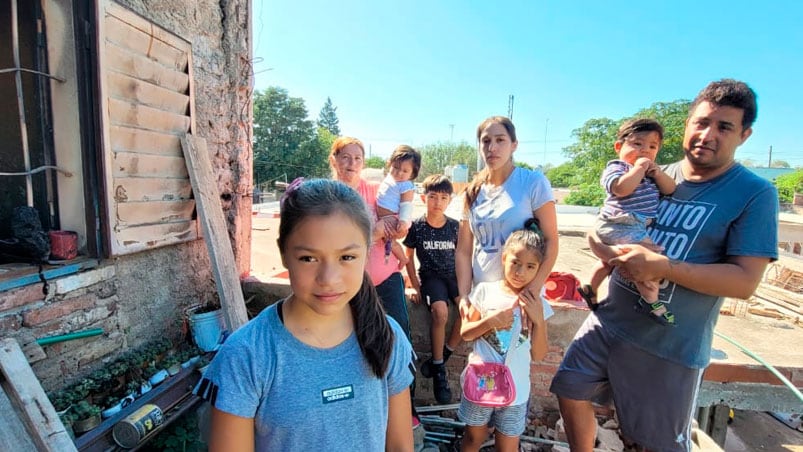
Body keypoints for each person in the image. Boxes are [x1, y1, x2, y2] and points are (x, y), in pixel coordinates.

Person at [550, 79, 779, 452]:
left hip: (668, 347)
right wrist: (601, 244)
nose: (708, 134)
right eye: (701, 122)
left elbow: (744, 282)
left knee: (653, 443)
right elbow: (608, 221)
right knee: (569, 389)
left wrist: (663, 267)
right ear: (687, 124)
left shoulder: (753, 193)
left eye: (724, 127)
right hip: (608, 322)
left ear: (745, 135)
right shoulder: (655, 171)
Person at [195, 179, 415, 451]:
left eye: (347, 257)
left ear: (366, 253)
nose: (328, 279)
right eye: (309, 258)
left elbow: (400, 446)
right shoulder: (247, 355)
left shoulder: (387, 336)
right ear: (284, 254)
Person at [455, 116, 558, 333]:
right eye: (485, 141)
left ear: (514, 145)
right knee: (484, 363)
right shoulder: (472, 192)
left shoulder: (532, 183)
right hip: (484, 302)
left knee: (517, 362)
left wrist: (531, 291)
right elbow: (464, 250)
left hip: (519, 300)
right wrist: (464, 296)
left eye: (500, 140)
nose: (492, 147)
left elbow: (551, 241)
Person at [458, 219, 554, 452]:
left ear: (539, 268)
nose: (521, 272)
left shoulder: (538, 304)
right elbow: (466, 334)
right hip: (481, 383)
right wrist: (490, 322)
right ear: (504, 258)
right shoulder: (485, 291)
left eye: (531, 266)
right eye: (516, 263)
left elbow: (540, 353)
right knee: (472, 438)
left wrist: (537, 320)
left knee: (509, 445)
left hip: (516, 390)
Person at [578, 118, 677, 325]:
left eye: (652, 147)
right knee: (649, 261)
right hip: (621, 223)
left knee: (608, 261)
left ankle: (590, 287)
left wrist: (657, 173)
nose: (645, 151)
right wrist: (638, 169)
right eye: (637, 144)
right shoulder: (618, 168)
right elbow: (621, 189)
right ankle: (652, 303)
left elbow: (670, 189)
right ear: (618, 147)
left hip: (631, 225)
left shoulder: (652, 175)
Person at [329, 137, 411, 338]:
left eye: (358, 158)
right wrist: (375, 233)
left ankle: (405, 370)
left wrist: (400, 228)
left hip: (386, 276)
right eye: (346, 157)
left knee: (399, 334)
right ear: (333, 160)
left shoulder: (378, 191)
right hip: (347, 281)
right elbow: (331, 244)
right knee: (355, 339)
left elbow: (400, 224)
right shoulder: (326, 197)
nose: (352, 164)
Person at [402, 174, 461, 404]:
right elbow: (408, 258)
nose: (438, 202)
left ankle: (444, 354)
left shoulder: (455, 227)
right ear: (423, 197)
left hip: (453, 277)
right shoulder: (417, 226)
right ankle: (438, 370)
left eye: (443, 197)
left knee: (468, 311)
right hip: (431, 277)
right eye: (433, 196)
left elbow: (463, 257)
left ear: (449, 200)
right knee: (441, 312)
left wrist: (465, 287)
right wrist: (415, 286)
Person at [377, 145, 422, 266]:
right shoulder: (389, 179)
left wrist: (402, 222)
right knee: (388, 240)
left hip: (394, 219)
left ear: (412, 173)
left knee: (386, 239)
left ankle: (402, 258)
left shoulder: (405, 185)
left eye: (405, 171)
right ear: (389, 163)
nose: (399, 173)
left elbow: (406, 205)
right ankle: (396, 259)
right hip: (384, 218)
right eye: (396, 167)